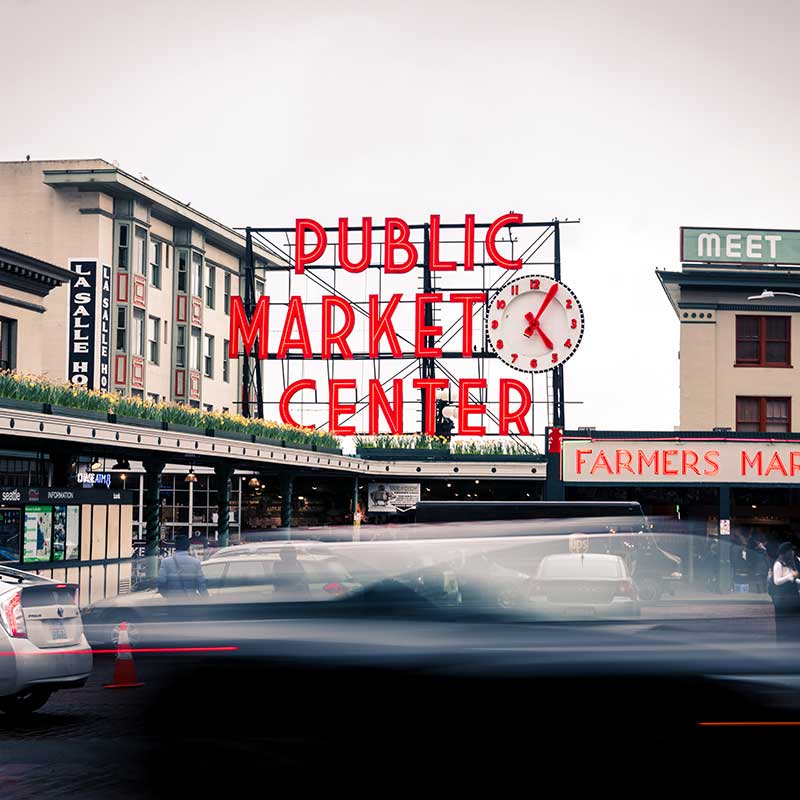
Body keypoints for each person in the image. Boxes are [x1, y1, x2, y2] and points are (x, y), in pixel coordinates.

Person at [770, 541, 800, 641]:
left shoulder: (790, 562)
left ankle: (792, 638)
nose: (793, 552)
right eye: (791, 550)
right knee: (783, 619)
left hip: (792, 595)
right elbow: (776, 581)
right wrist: (790, 576)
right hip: (782, 597)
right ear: (786, 552)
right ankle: (782, 640)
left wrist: (795, 579)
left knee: (793, 619)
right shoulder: (778, 564)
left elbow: (793, 579)